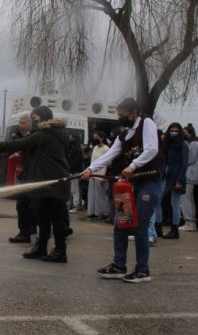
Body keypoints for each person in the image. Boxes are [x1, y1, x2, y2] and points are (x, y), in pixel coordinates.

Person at [81, 98, 162, 283]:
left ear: (133, 112)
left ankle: (143, 270)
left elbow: (151, 149)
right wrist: (91, 169)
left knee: (140, 227)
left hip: (149, 182)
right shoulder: (124, 135)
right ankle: (119, 265)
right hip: (132, 185)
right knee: (121, 223)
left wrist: (132, 166)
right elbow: (110, 155)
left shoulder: (146, 123)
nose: (120, 118)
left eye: (122, 115)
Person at [0, 106, 70, 263]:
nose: (33, 121)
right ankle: (42, 248)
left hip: (51, 183)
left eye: (35, 117)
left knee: (54, 218)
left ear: (43, 118)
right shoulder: (52, 133)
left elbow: (22, 143)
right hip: (49, 182)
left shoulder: (45, 134)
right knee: (43, 217)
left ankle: (59, 251)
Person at [7, 112, 35, 244]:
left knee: (28, 205)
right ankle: (26, 231)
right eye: (19, 123)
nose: (20, 125)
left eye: (23, 123)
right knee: (23, 204)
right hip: (25, 176)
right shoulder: (19, 137)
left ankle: (27, 231)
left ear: (30, 124)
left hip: (32, 176)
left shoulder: (33, 137)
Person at [160, 123, 188, 240]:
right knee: (157, 200)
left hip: (176, 177)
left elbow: (184, 164)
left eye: (176, 131)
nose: (173, 133)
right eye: (171, 130)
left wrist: (180, 180)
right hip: (165, 176)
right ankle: (157, 225)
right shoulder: (168, 145)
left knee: (174, 203)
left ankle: (174, 229)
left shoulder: (183, 146)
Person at [180, 124, 198, 232]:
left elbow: (190, 158)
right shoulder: (192, 144)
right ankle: (190, 221)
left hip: (190, 174)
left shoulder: (194, 144)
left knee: (186, 200)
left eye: (184, 133)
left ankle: (189, 222)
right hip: (189, 174)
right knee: (188, 199)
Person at [86, 131, 110, 221]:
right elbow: (92, 161)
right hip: (93, 173)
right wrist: (89, 171)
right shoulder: (95, 147)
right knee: (92, 194)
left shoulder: (106, 148)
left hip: (100, 174)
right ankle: (93, 212)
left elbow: (106, 163)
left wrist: (103, 175)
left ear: (101, 138)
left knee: (101, 195)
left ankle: (104, 212)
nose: (94, 139)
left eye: (96, 137)